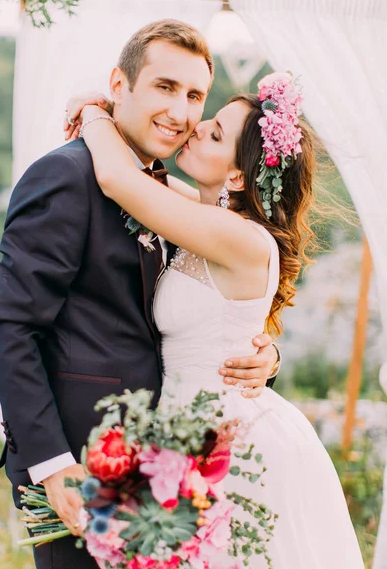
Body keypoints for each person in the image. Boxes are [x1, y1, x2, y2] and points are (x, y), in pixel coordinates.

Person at [0, 20, 279, 569]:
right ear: (119, 84)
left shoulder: (165, 193)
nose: (181, 112)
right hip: (77, 462)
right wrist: (52, 465)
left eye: (194, 96)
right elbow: (10, 327)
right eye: (164, 87)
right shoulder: (65, 176)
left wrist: (261, 355)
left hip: (165, 464)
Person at [66, 70, 365, 568]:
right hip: (186, 433)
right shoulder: (207, 217)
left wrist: (94, 111)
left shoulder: (242, 239)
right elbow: (142, 181)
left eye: (217, 133)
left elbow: (118, 179)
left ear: (238, 177)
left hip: (230, 443)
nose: (198, 126)